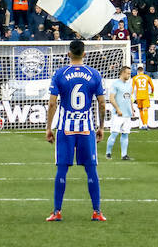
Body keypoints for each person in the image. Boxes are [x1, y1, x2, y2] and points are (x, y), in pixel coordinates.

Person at [44, 39, 106, 222]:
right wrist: (101, 127)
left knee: (62, 169)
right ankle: (97, 212)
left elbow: (52, 103)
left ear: (69, 53)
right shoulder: (94, 74)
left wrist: (48, 128)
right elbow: (102, 103)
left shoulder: (60, 73)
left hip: (65, 129)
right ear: (84, 54)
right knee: (91, 169)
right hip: (87, 130)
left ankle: (57, 212)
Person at [105, 66, 133, 161]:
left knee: (125, 134)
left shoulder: (129, 85)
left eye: (130, 73)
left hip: (127, 114)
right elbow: (111, 98)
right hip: (118, 114)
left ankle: (124, 155)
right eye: (128, 73)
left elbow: (129, 99)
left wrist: (132, 109)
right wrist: (117, 109)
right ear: (122, 73)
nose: (129, 75)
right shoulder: (115, 84)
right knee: (114, 134)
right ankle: (108, 153)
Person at [130, 63, 154, 130]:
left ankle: (143, 124)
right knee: (145, 109)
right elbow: (152, 87)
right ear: (143, 70)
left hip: (138, 96)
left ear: (137, 71)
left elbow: (132, 87)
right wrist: (152, 93)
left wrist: (131, 95)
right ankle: (145, 124)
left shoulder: (135, 78)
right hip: (145, 95)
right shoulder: (147, 77)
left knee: (140, 110)